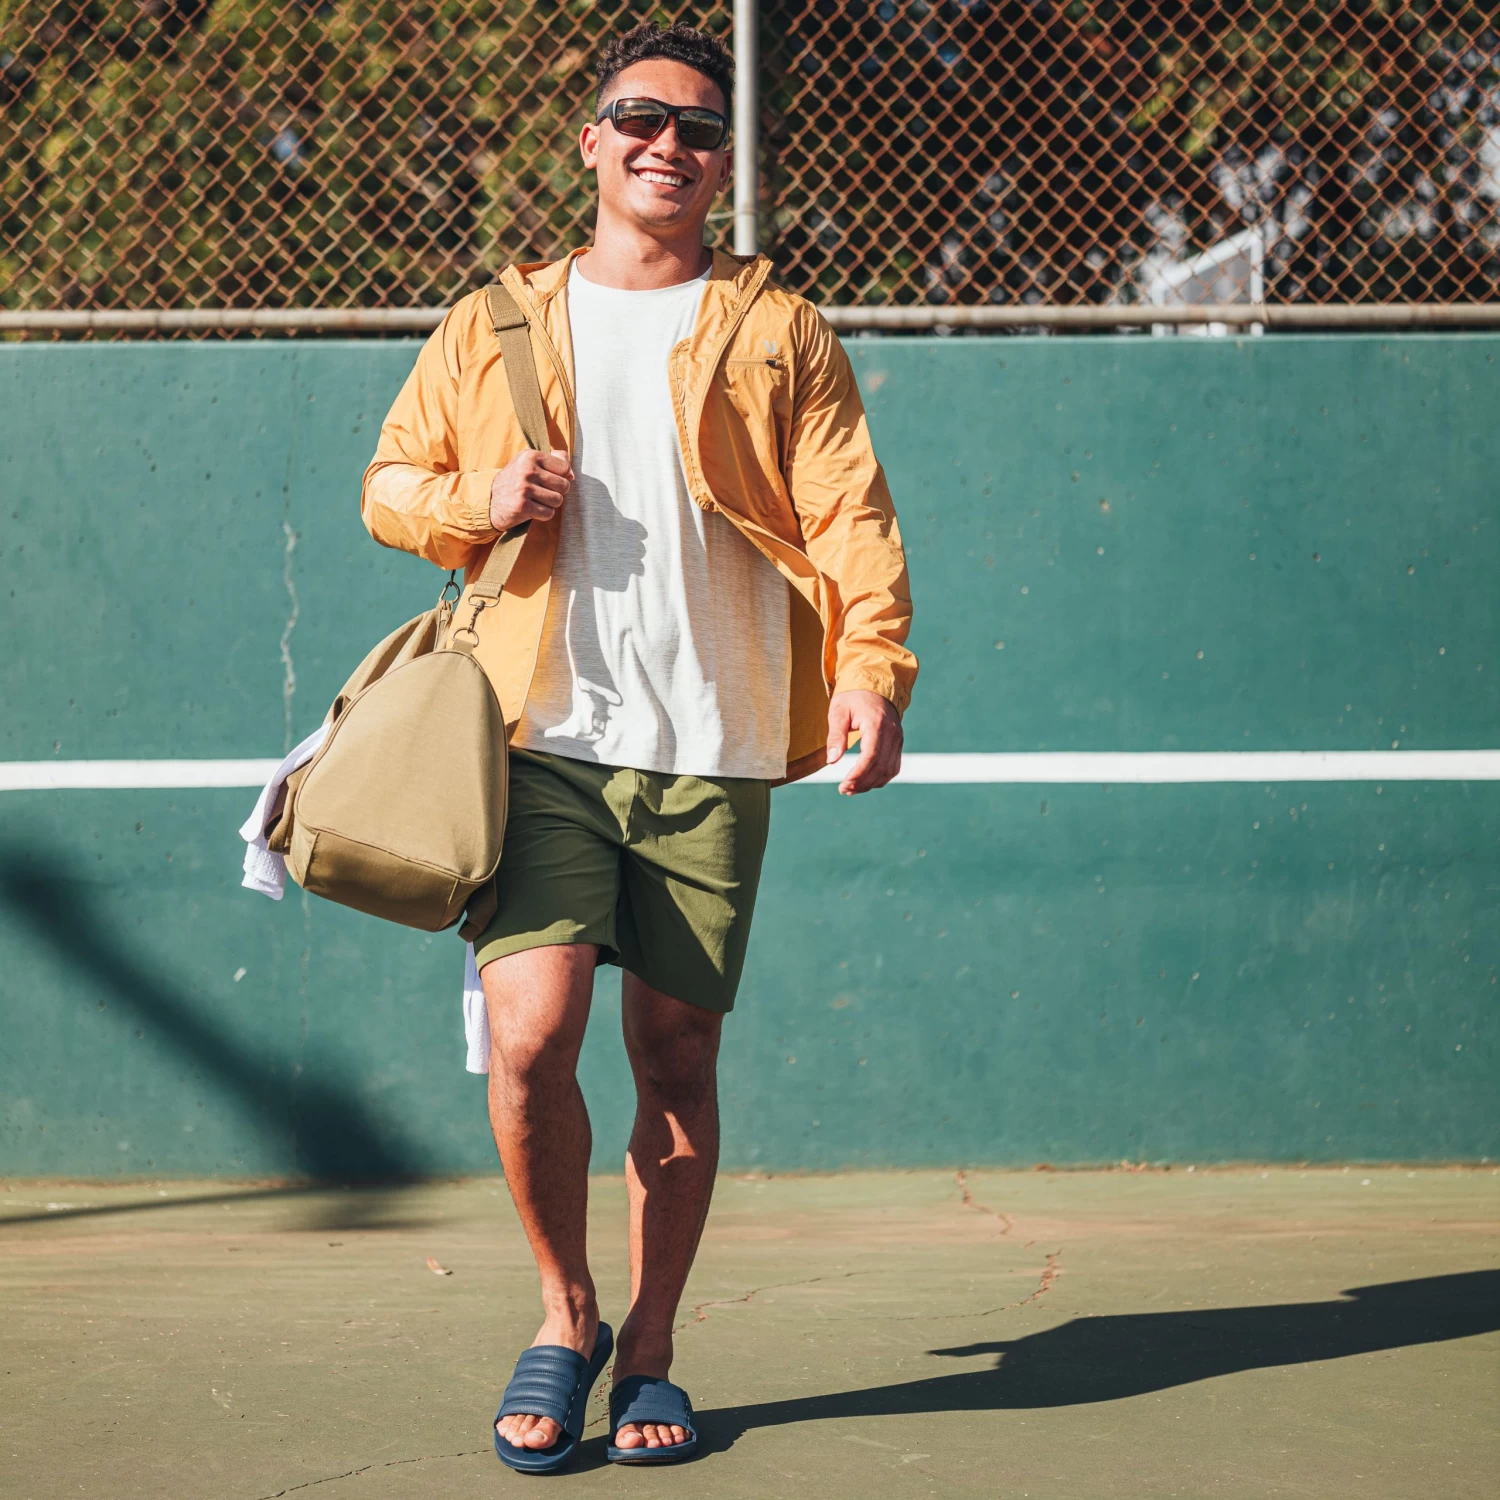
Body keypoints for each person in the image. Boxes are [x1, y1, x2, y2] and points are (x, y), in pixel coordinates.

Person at [360, 19, 916, 1472]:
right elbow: (390, 484)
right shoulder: (492, 321)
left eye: (699, 129)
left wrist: (872, 668)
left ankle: (653, 1348)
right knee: (531, 1039)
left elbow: (850, 512)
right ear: (593, 142)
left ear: (723, 164)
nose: (669, 144)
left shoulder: (780, 328)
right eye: (642, 119)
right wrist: (478, 497)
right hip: (536, 736)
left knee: (676, 1056)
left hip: (714, 745)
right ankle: (567, 1314)